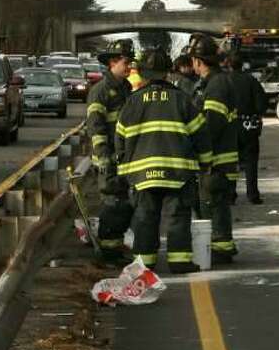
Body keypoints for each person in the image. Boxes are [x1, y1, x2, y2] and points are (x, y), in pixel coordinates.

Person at [114, 49, 210, 274]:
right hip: (178, 172)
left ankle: (144, 263)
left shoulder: (133, 101)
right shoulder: (182, 99)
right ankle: (179, 261)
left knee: (145, 217)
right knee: (178, 216)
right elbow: (200, 134)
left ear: (145, 74)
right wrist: (205, 163)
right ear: (168, 73)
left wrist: (123, 169)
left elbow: (119, 137)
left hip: (141, 173)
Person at [189, 34, 240, 264]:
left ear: (199, 62)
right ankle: (221, 246)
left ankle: (219, 249)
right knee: (214, 204)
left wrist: (202, 154)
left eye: (193, 61)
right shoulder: (215, 82)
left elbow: (212, 125)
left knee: (212, 204)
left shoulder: (217, 85)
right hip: (219, 159)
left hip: (217, 160)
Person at [85, 39, 136, 264]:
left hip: (123, 157)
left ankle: (114, 247)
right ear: (113, 62)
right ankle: (108, 253)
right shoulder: (101, 91)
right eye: (126, 62)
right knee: (113, 204)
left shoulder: (125, 88)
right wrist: (103, 155)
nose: (129, 67)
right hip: (109, 158)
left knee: (122, 203)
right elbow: (95, 126)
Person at [227, 52, 269, 204]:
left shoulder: (223, 81)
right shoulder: (251, 81)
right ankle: (253, 195)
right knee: (251, 160)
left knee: (230, 162)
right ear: (243, 65)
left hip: (229, 127)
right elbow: (261, 104)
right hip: (248, 126)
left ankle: (230, 195)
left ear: (228, 65)